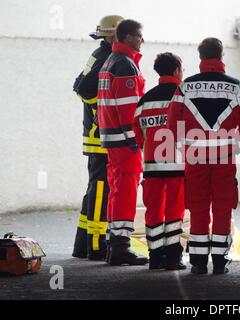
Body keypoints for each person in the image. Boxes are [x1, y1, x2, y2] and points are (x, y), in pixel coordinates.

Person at [167, 38, 240, 274]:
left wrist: (184, 147)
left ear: (200, 57)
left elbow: (173, 122)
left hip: (194, 158)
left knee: (197, 206)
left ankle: (197, 262)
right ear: (221, 56)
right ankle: (219, 260)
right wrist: (237, 146)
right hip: (224, 157)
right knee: (223, 206)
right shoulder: (237, 87)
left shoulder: (184, 87)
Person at [97, 19, 148, 266]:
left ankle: (114, 244)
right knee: (126, 191)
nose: (142, 40)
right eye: (138, 35)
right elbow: (128, 109)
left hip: (112, 139)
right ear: (127, 37)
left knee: (117, 190)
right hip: (124, 141)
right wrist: (135, 140)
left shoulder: (111, 62)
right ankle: (120, 248)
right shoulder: (125, 65)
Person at [72, 15, 123, 261]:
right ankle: (96, 245)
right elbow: (83, 89)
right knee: (101, 191)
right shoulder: (106, 58)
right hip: (100, 136)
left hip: (96, 135)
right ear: (112, 36)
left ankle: (82, 246)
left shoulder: (100, 53)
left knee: (95, 191)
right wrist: (101, 111)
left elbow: (78, 85)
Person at [133, 52, 186, 270]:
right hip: (178, 165)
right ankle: (174, 258)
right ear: (176, 70)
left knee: (153, 211)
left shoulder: (145, 100)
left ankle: (155, 257)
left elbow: (138, 134)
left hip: (152, 166)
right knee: (174, 212)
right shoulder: (183, 95)